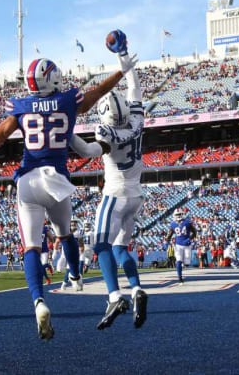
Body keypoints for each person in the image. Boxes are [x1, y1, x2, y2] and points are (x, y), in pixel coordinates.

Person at [0, 54, 130, 340]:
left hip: (29, 180)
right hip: (57, 180)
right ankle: (75, 275)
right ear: (53, 78)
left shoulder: (20, 105)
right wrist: (121, 71)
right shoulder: (67, 100)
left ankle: (39, 302)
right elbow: (97, 92)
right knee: (65, 234)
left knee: (31, 247)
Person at [86, 38, 148, 330]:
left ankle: (114, 296)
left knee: (100, 245)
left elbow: (93, 151)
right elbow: (135, 89)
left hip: (115, 192)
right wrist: (123, 57)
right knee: (121, 248)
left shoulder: (104, 131)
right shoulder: (136, 120)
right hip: (137, 194)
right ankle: (136, 290)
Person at [167, 209, 196, 284]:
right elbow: (169, 234)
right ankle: (180, 277)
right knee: (179, 261)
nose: (178, 216)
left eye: (179, 214)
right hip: (178, 244)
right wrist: (167, 240)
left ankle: (184, 265)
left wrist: (189, 239)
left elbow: (194, 232)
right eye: (177, 215)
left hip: (187, 244)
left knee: (187, 262)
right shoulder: (174, 224)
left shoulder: (187, 222)